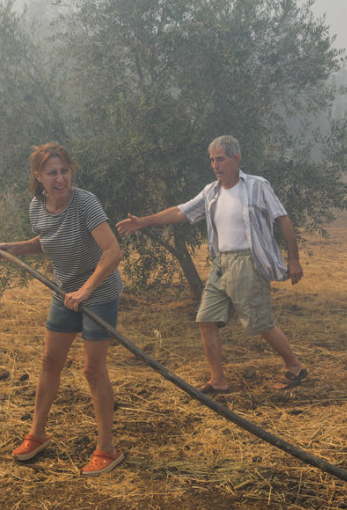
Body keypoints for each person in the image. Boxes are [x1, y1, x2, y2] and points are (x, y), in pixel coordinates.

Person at [116, 135, 307, 393]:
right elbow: (180, 211)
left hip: (248, 263)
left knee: (260, 323)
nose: (215, 165)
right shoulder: (212, 191)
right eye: (212, 160)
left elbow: (283, 219)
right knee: (206, 320)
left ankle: (295, 366)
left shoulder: (257, 186)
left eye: (220, 159)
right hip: (221, 264)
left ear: (235, 159)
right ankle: (218, 381)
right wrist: (144, 222)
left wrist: (293, 260)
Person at [0, 143, 125, 476]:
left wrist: (86, 290)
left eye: (64, 171)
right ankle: (37, 434)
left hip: (99, 292)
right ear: (39, 176)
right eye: (53, 173)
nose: (60, 178)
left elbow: (112, 251)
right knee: (50, 361)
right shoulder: (37, 207)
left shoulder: (85, 203)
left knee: (93, 371)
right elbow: (46, 239)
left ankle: (107, 449)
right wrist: (14, 248)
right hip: (64, 292)